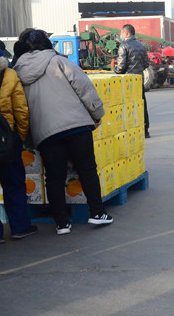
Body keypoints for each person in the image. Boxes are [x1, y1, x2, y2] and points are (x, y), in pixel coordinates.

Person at [14, 29, 114, 234]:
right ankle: (97, 213)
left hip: (45, 133)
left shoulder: (17, 72)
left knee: (54, 177)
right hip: (76, 125)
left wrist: (29, 138)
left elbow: (20, 107)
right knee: (87, 169)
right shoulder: (59, 61)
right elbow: (84, 88)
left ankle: (61, 223)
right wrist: (97, 113)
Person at [0, 54, 38, 242]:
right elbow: (21, 111)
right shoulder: (9, 75)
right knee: (14, 183)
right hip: (6, 138)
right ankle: (20, 227)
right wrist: (19, 137)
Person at [114, 24, 151, 138]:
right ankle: (145, 130)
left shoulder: (124, 46)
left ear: (126, 33)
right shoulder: (141, 45)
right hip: (139, 79)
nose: (121, 35)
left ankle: (130, 129)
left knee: (128, 106)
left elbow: (121, 67)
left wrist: (115, 70)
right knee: (142, 103)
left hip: (128, 80)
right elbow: (146, 63)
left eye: (121, 33)